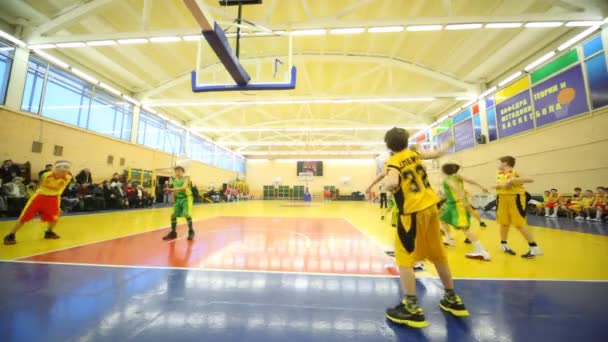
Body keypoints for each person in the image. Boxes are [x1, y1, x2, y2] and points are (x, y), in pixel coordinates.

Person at [382, 128, 468, 329]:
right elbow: (436, 154)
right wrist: (447, 145)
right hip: (431, 207)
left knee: (404, 258)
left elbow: (393, 181)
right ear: (406, 141)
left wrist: (388, 186)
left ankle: (411, 307)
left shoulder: (392, 162)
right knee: (438, 253)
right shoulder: (414, 154)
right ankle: (451, 298)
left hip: (412, 213)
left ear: (388, 146)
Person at [3, 161, 72, 245]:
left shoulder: (68, 177)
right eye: (62, 167)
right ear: (56, 168)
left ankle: (49, 232)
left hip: (54, 198)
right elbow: (44, 185)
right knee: (25, 215)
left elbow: (60, 187)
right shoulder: (46, 175)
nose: (65, 170)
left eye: (67, 168)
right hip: (40, 196)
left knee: (55, 215)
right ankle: (10, 235)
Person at [439, 163, 491, 261]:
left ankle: (481, 251)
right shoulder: (456, 176)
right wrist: (481, 186)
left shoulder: (448, 180)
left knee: (465, 229)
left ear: (444, 171)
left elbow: (457, 189)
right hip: (451, 204)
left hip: (458, 205)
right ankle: (449, 238)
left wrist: (464, 201)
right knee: (442, 217)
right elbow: (470, 181)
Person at [494, 156, 542, 258]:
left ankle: (534, 248)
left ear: (505, 163)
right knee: (504, 223)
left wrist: (513, 180)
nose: (498, 164)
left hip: (515, 199)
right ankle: (504, 244)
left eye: (499, 162)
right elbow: (502, 186)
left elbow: (530, 179)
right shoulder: (499, 174)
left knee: (519, 224)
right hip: (501, 198)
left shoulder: (515, 171)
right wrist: (497, 186)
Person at [162, 166, 195, 241]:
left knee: (186, 214)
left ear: (183, 172)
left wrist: (171, 189)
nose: (178, 173)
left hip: (187, 198)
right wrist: (174, 198)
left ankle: (191, 231)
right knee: (173, 216)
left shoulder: (186, 178)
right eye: (176, 171)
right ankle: (173, 232)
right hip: (179, 199)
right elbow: (175, 189)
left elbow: (183, 187)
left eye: (179, 171)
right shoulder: (174, 180)